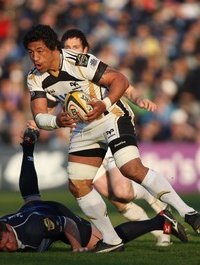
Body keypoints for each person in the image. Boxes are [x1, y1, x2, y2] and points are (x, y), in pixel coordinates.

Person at [23, 24, 200, 253]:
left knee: (130, 168)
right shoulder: (34, 77)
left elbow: (120, 80)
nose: (35, 57)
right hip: (83, 127)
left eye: (39, 51)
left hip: (111, 115)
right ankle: (111, 239)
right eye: (31, 52)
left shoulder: (79, 61)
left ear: (53, 49)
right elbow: (39, 115)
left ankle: (187, 211)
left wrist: (104, 104)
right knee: (78, 184)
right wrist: (57, 122)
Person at [0, 127, 188, 252]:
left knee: (106, 243)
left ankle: (160, 221)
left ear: (8, 230)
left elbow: (62, 222)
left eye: (6, 242)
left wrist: (76, 247)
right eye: (2, 247)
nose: (7, 248)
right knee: (30, 197)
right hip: (31, 210)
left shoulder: (32, 230)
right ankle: (28, 148)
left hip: (54, 215)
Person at [61, 28, 171, 247]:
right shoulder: (59, 75)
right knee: (117, 199)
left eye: (75, 48)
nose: (71, 52)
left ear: (85, 50)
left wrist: (139, 99)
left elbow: (125, 87)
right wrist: (40, 120)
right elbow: (55, 105)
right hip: (83, 141)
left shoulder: (91, 67)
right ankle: (160, 231)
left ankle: (153, 199)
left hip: (108, 133)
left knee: (122, 191)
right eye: (67, 48)